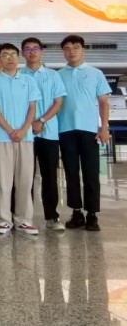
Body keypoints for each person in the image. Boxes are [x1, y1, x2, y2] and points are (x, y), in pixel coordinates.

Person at [0, 43, 41, 235]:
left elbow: (32, 107)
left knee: (25, 179)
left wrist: (24, 129)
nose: (10, 58)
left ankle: (24, 219)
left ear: (19, 57)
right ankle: (4, 219)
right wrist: (9, 130)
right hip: (2, 137)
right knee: (4, 180)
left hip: (26, 137)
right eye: (5, 55)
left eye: (13, 54)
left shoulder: (28, 80)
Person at [58, 34, 111, 231]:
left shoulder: (96, 73)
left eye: (75, 47)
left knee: (91, 173)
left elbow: (103, 102)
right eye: (67, 49)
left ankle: (92, 214)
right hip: (65, 130)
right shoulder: (58, 75)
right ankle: (76, 212)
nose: (71, 52)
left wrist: (103, 127)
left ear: (83, 49)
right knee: (71, 173)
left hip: (90, 131)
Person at [20, 37, 67, 231]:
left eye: (35, 49)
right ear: (22, 53)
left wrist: (42, 121)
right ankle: (25, 216)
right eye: (27, 49)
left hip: (49, 133)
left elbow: (58, 102)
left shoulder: (52, 75)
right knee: (25, 177)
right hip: (25, 134)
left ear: (41, 52)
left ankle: (52, 217)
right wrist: (29, 124)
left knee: (49, 177)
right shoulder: (18, 75)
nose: (32, 52)